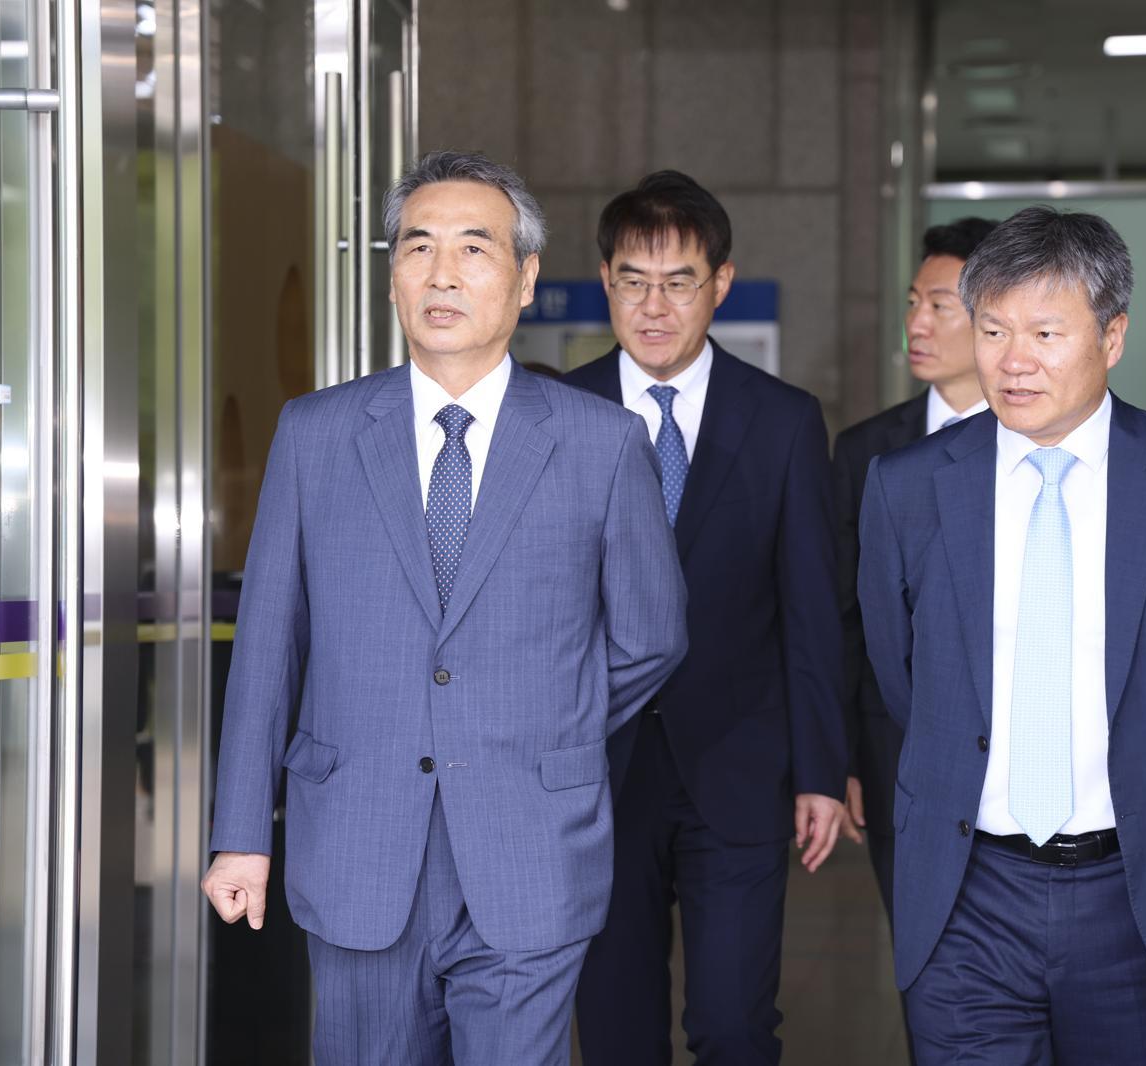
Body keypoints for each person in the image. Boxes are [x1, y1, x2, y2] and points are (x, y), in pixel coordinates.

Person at [201, 150, 688, 1066]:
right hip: (357, 840)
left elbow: (650, 637)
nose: (442, 273)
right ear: (392, 278)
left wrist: (545, 721)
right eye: (418, 247)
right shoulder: (316, 434)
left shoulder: (601, 443)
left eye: (473, 247)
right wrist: (240, 836)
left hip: (531, 844)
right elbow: (268, 648)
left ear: (526, 279)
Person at [857, 206, 1146, 1065]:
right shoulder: (907, 486)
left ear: (1112, 337)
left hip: (1138, 890)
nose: (1013, 361)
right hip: (968, 892)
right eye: (993, 330)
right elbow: (901, 674)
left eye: (1045, 333)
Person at [563, 170, 847, 1066]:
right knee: (616, 1029)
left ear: (720, 283)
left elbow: (811, 608)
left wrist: (821, 771)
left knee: (733, 1025)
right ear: (605, 281)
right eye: (633, 281)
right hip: (593, 773)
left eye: (678, 282)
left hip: (738, 766)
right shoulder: (554, 415)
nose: (654, 307)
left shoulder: (783, 421)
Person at [832, 217, 997, 925]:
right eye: (911, 302)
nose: (916, 323)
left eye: (938, 305)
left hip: (1023, 759)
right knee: (923, 948)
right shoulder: (868, 450)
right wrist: (842, 758)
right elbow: (844, 617)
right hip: (897, 753)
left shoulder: (1043, 437)